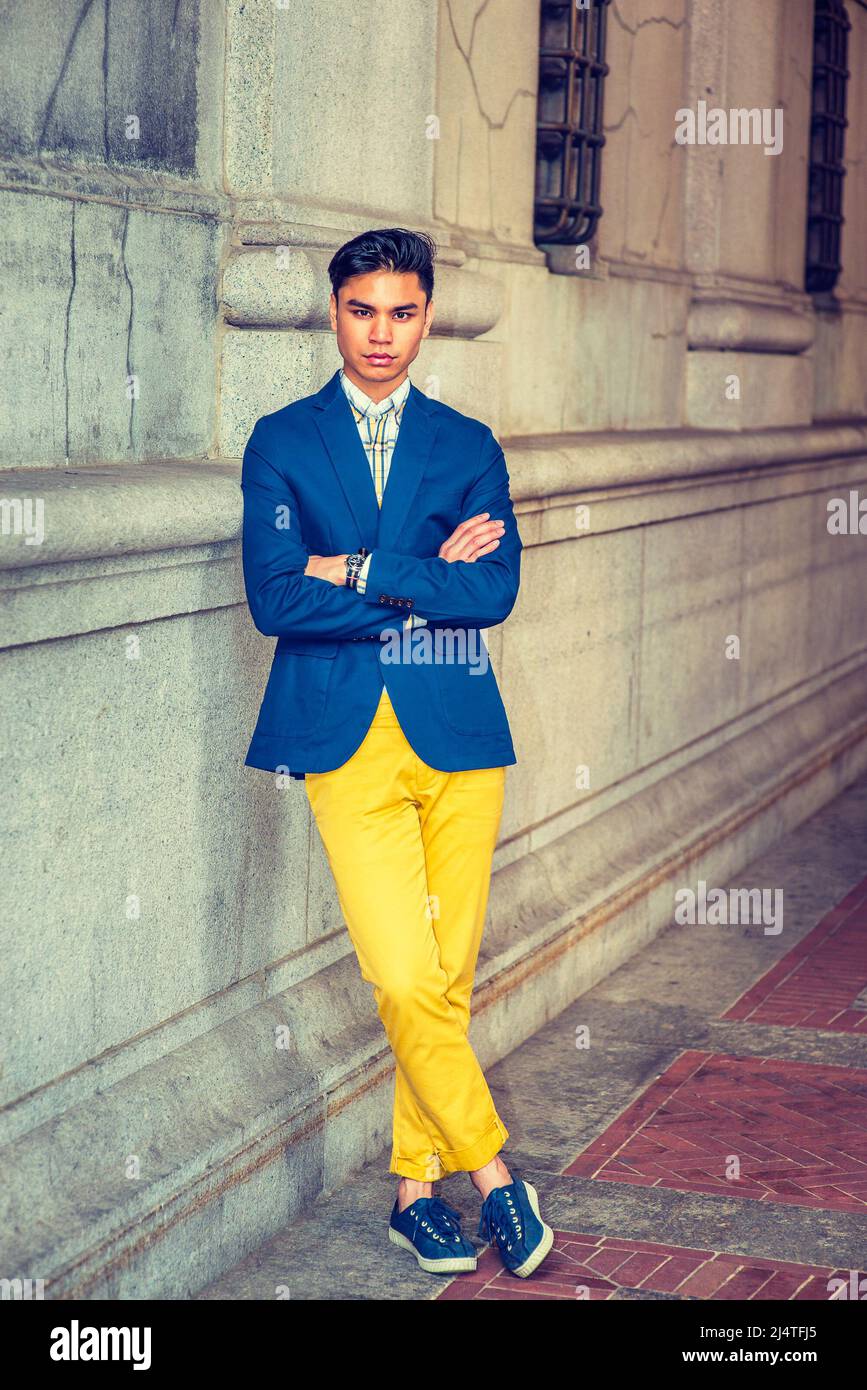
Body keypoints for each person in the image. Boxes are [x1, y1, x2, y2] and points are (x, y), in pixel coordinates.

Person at [240, 227, 553, 1279]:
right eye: (362, 310)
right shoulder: (281, 440)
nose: (382, 333)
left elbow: (494, 594)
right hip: (340, 739)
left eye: (402, 311)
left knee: (447, 979)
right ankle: (498, 1176)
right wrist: (423, 575)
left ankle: (416, 1195)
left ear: (427, 315)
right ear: (334, 312)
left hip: (460, 734)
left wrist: (361, 565)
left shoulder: (468, 447)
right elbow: (275, 597)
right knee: (404, 972)